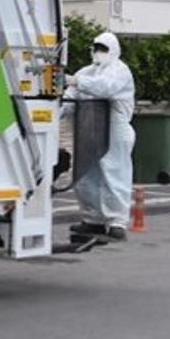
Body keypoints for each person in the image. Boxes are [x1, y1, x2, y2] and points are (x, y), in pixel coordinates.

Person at [66, 31, 136, 244]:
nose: (98, 52)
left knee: (115, 173)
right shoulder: (87, 72)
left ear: (114, 50)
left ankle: (117, 222)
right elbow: (70, 97)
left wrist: (76, 81)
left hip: (115, 128)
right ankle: (92, 218)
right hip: (89, 127)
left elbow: (106, 88)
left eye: (103, 48)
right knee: (85, 173)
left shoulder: (119, 70)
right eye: (96, 48)